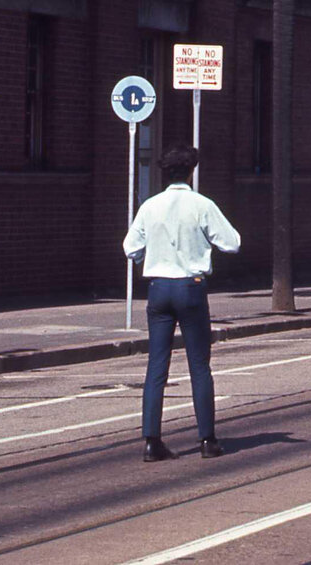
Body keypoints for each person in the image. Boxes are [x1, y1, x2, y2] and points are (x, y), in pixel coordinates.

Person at [124, 145, 240, 462]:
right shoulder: (201, 205)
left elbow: (130, 247)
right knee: (199, 365)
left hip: (158, 288)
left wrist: (154, 253)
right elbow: (231, 242)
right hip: (191, 287)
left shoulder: (150, 206)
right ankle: (207, 440)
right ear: (191, 171)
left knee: (156, 367)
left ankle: (151, 440)